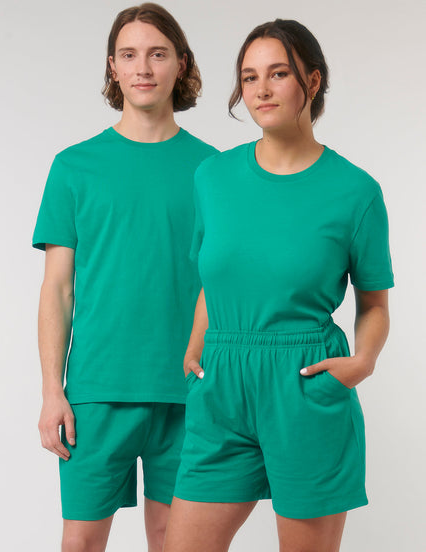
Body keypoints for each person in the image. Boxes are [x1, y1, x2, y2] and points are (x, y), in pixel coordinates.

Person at [163, 19, 394, 552]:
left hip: (304, 384)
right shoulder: (213, 178)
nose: (261, 90)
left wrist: (363, 362)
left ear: (312, 81)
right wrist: (196, 348)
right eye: (249, 77)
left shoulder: (355, 191)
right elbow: (211, 279)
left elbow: (374, 303)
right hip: (220, 385)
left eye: (278, 73)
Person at [32, 3, 217, 551]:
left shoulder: (215, 172)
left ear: (181, 64)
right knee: (82, 541)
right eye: (129, 55)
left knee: (173, 541)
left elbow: (224, 282)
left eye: (157, 54)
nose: (143, 68)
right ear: (112, 67)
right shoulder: (74, 167)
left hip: (189, 390)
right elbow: (57, 289)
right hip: (96, 390)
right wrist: (51, 390)